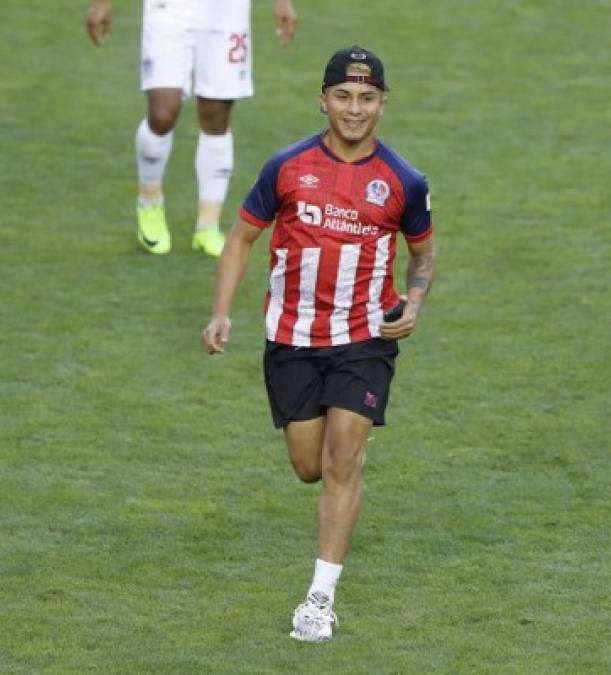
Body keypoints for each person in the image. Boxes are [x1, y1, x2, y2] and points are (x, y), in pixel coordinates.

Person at [201, 46, 436, 642]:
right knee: (309, 465)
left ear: (383, 103)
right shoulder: (285, 167)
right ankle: (342, 467)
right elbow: (241, 238)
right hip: (293, 337)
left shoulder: (404, 180)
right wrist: (221, 313)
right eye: (343, 97)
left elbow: (423, 255)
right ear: (323, 99)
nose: (354, 110)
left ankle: (319, 598)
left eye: (367, 98)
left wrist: (415, 300)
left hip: (365, 338)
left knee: (341, 460)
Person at [86, 0, 298, 256]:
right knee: (163, 113)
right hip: (169, 9)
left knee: (216, 114)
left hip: (227, 12)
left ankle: (208, 226)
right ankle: (149, 201)